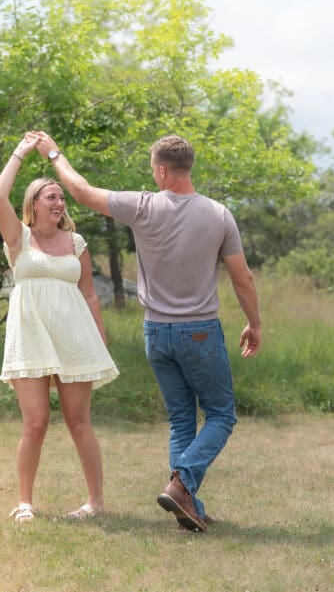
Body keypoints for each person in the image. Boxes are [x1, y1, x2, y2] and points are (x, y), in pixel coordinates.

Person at [30, 130, 261, 533]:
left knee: (181, 419)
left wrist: (52, 152)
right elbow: (242, 278)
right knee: (222, 414)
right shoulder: (219, 214)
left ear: (160, 171)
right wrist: (254, 323)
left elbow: (81, 191)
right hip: (200, 332)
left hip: (156, 332)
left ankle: (189, 508)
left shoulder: (141, 206)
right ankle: (182, 481)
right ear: (188, 168)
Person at [0, 132, 120, 523]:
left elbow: (91, 295)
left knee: (79, 421)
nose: (59, 201)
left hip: (74, 338)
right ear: (33, 204)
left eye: (61, 197)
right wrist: (22, 152)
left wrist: (99, 339)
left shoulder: (76, 242)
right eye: (51, 196)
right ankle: (25, 502)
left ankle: (95, 502)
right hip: (30, 336)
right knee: (35, 422)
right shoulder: (19, 238)